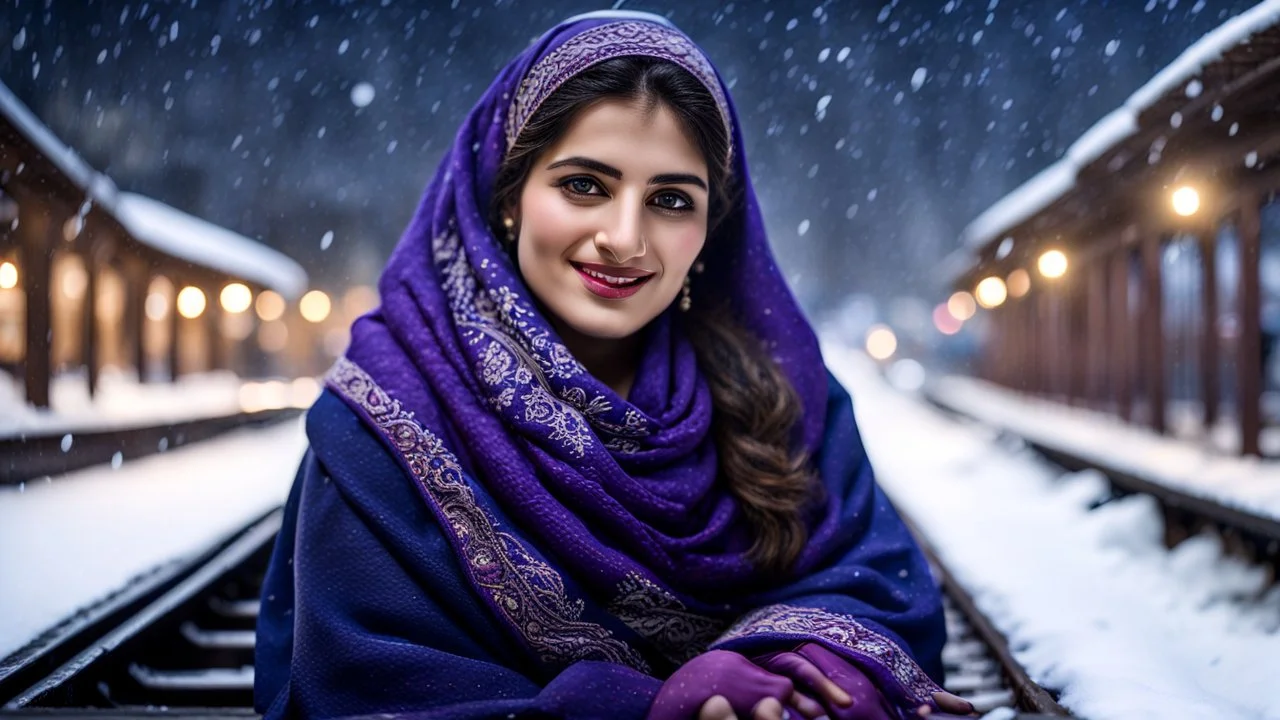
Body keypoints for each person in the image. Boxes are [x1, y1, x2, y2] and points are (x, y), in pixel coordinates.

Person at [254, 11, 973, 720]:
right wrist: (647, 707)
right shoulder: (385, 418)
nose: (624, 238)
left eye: (668, 200)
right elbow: (359, 686)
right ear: (508, 196)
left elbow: (876, 579)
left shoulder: (781, 395)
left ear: (710, 228)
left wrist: (800, 665)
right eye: (584, 186)